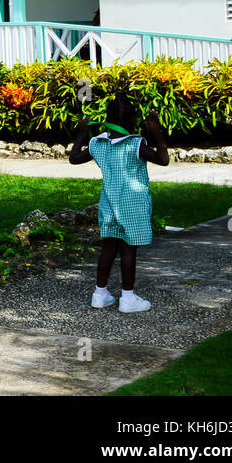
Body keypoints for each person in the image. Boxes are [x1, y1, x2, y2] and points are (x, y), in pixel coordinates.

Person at [68, 96, 168, 313]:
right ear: (131, 119)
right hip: (133, 203)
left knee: (109, 247)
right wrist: (157, 133)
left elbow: (74, 158)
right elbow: (163, 160)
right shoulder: (135, 143)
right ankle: (128, 298)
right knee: (128, 249)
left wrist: (82, 134)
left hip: (108, 202)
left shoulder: (98, 143)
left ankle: (100, 294)